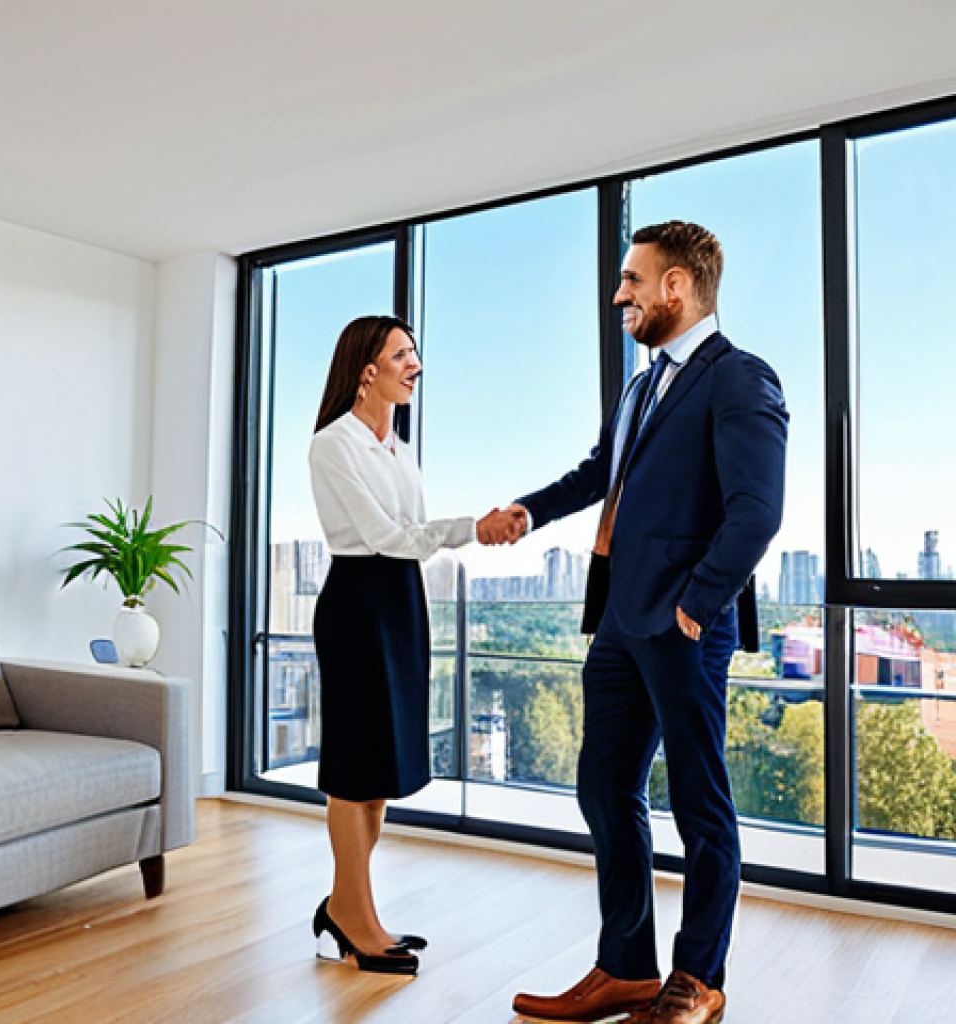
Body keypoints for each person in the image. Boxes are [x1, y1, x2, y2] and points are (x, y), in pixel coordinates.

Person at [496, 221, 788, 1023]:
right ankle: (625, 968)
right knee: (604, 785)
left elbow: (757, 513)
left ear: (676, 286)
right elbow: (601, 473)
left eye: (632, 278)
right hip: (623, 620)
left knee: (700, 803)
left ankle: (698, 981)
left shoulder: (739, 378)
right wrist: (528, 511)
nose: (618, 292)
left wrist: (698, 604)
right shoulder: (640, 386)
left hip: (687, 622)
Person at [308, 314, 511, 977]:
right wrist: (472, 530)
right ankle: (354, 918)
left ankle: (350, 907)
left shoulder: (397, 448)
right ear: (366, 369)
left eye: (415, 353)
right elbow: (383, 535)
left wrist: (458, 530)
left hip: (401, 603)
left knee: (381, 773)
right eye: (403, 354)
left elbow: (410, 531)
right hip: (359, 602)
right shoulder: (334, 444)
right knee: (353, 769)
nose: (415, 364)